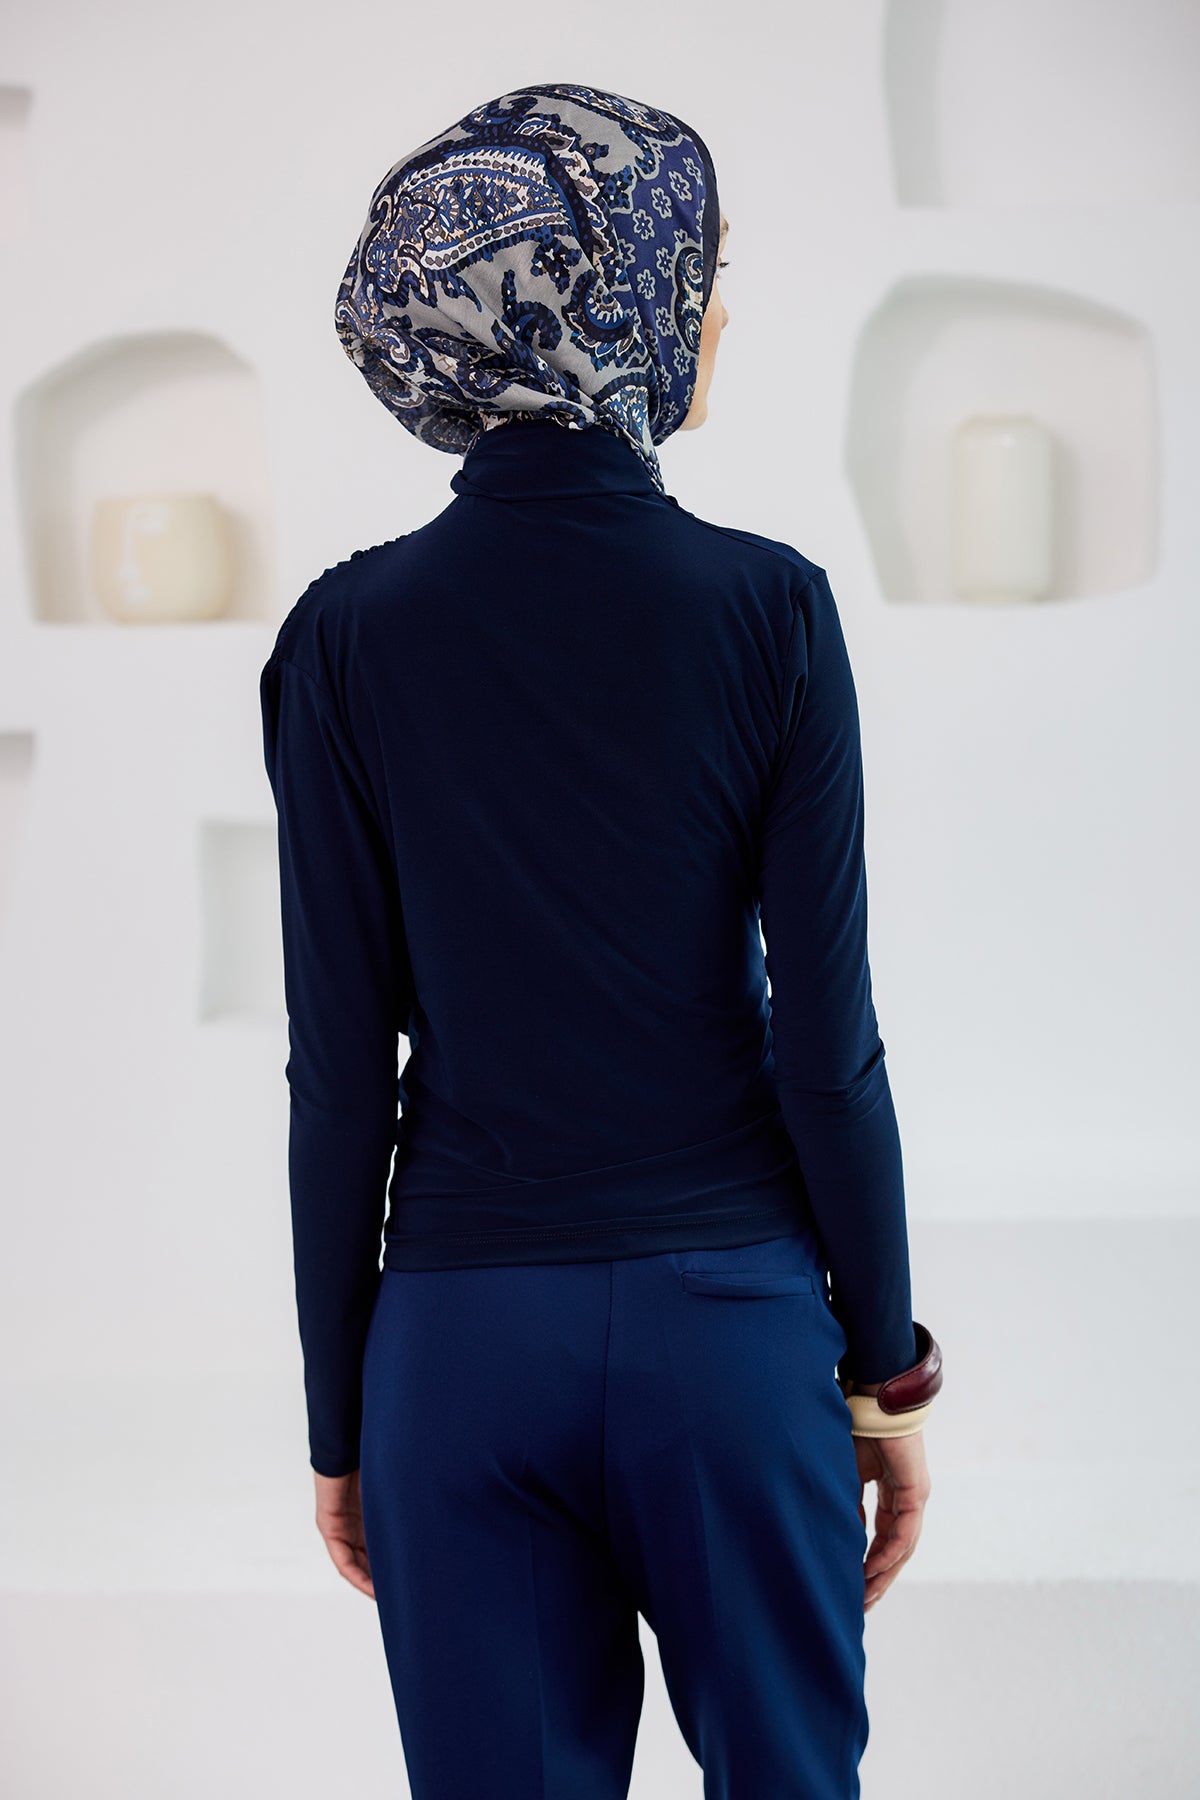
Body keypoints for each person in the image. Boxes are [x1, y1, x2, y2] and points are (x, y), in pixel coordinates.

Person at [260, 81, 943, 1799]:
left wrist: (345, 1418)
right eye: (704, 273)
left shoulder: (342, 636)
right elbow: (828, 1049)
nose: (717, 314)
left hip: (457, 1355)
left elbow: (339, 1076)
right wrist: (885, 1373)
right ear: (621, 295)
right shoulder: (770, 607)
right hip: (733, 1335)